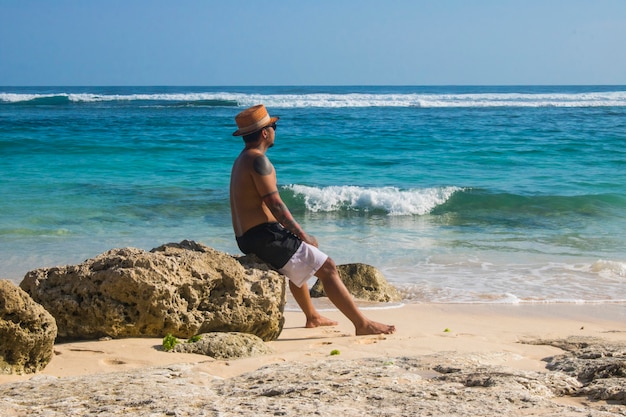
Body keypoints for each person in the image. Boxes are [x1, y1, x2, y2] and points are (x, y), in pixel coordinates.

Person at [230, 104, 395, 335]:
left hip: (248, 237)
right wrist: (301, 234)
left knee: (298, 263)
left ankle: (312, 316)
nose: (275, 130)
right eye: (273, 126)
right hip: (264, 236)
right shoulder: (259, 161)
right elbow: (275, 204)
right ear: (265, 132)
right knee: (327, 267)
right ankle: (362, 324)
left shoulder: (241, 160)